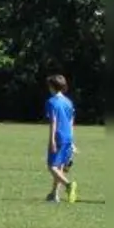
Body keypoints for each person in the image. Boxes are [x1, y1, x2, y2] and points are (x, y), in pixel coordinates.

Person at [44, 74, 78, 203]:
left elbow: (54, 121)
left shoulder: (51, 102)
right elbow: (70, 122)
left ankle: (69, 185)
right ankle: (54, 195)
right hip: (67, 136)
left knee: (52, 167)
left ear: (52, 87)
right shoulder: (68, 102)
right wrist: (72, 141)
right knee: (60, 167)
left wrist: (52, 140)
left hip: (58, 136)